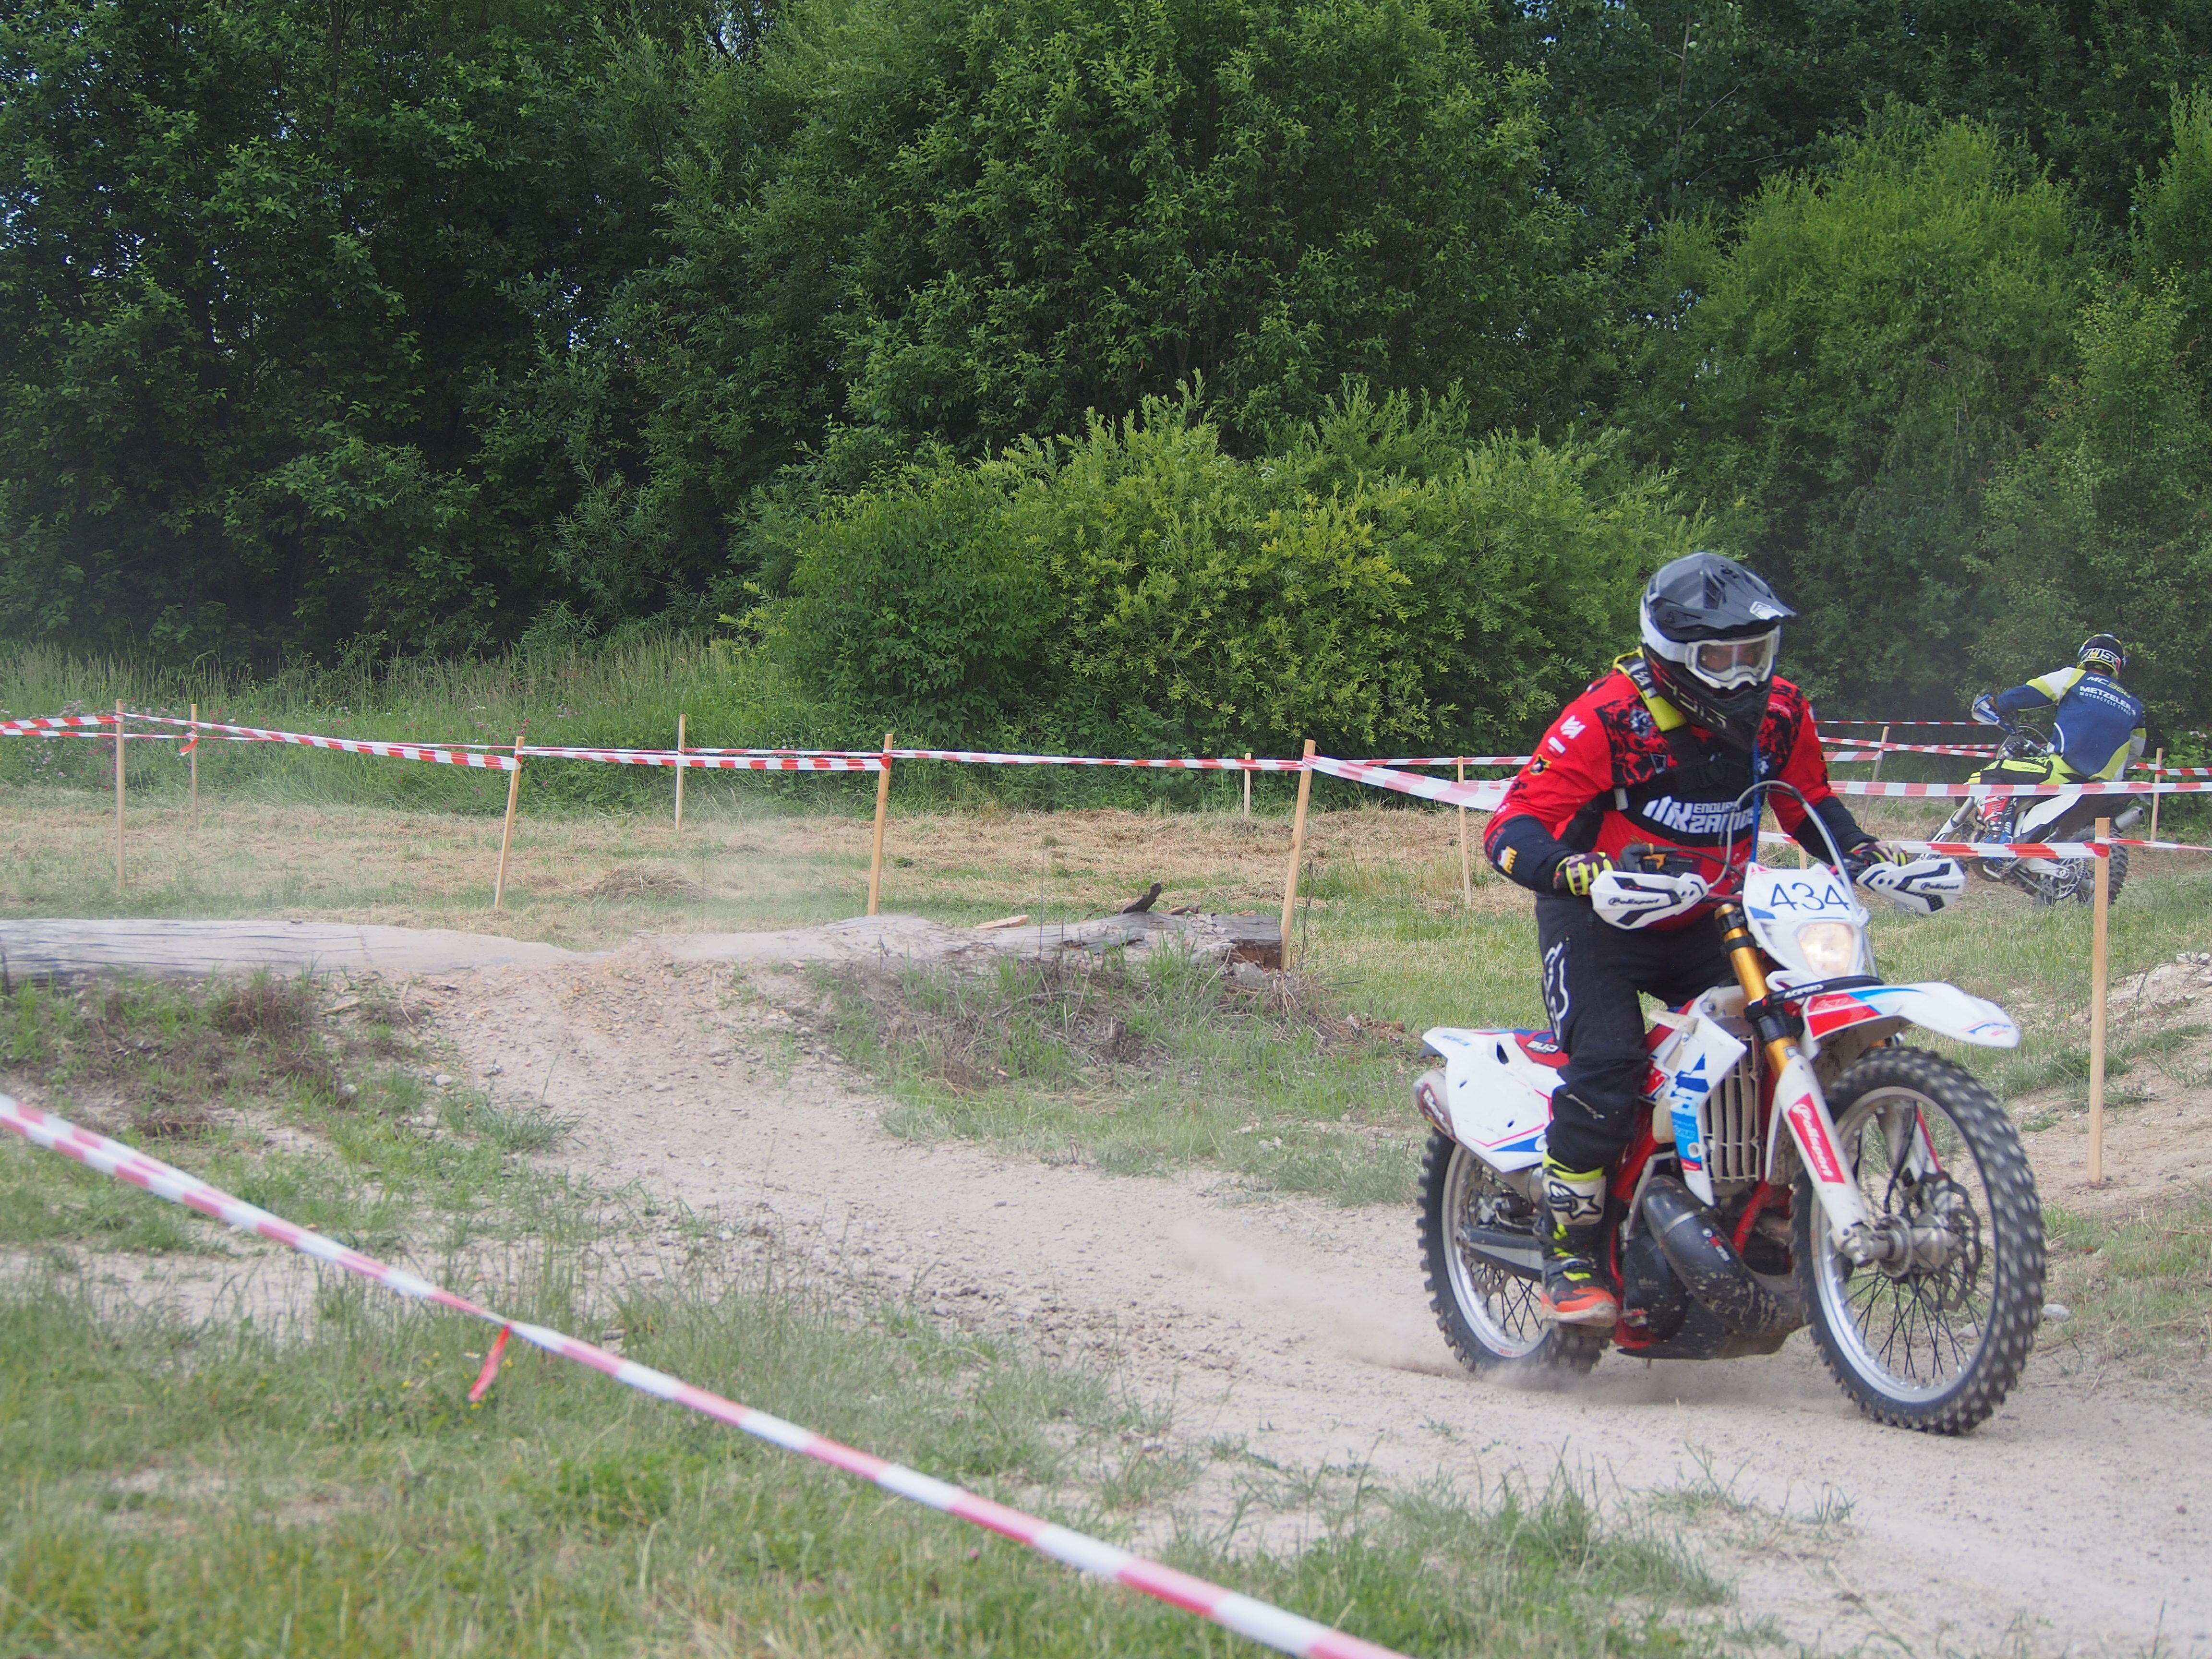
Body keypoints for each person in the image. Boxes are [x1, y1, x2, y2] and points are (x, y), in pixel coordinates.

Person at [1483, 552, 1914, 1326]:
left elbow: (1808, 802)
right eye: (1721, 655)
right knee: (1608, 1068)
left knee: (1790, 1031)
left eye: (1755, 650)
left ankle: (1767, 1205)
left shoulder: (1781, 711)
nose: (1743, 670)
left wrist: (1865, 856)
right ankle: (1568, 1249)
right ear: (1673, 652)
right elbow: (1510, 829)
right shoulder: (1608, 717)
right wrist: (1578, 873)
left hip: (1716, 914)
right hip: (1602, 916)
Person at [1972, 635, 2146, 783]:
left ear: (2085, 655)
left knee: (1991, 773)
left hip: (2063, 775)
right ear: (2118, 664)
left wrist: (1999, 703)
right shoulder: (2134, 705)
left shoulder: (2073, 677)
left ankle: (1998, 816)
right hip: (2106, 789)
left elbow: (2025, 694)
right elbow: (2133, 755)